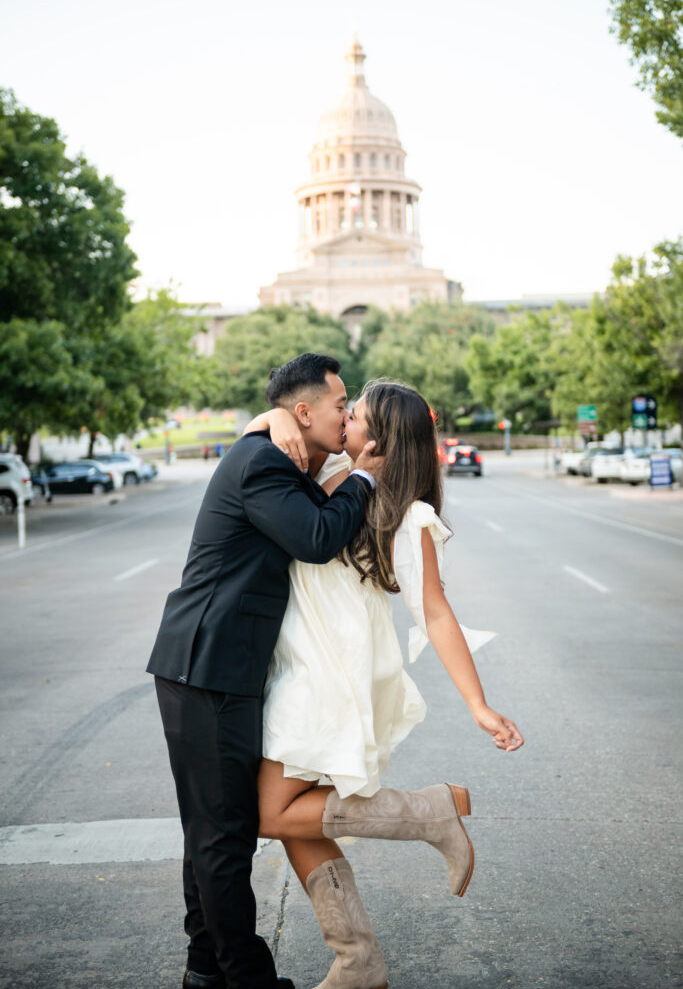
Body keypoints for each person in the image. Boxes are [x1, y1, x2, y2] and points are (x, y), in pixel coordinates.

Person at [246, 380, 524, 989]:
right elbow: (279, 424)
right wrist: (274, 414)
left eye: (356, 415)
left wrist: (478, 704)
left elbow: (437, 611)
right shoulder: (332, 469)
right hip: (299, 668)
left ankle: (428, 813)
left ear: (380, 439)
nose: (342, 419)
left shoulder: (409, 515)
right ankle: (358, 963)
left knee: (270, 813)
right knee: (293, 817)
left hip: (331, 676)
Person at [147, 354, 383, 989]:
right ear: (304, 412)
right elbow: (316, 535)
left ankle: (206, 969)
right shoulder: (263, 462)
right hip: (209, 665)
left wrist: (272, 418)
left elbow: (312, 506)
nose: (348, 415)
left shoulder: (280, 454)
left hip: (218, 665)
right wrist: (362, 476)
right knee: (225, 836)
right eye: (340, 405)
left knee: (213, 831)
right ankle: (245, 977)